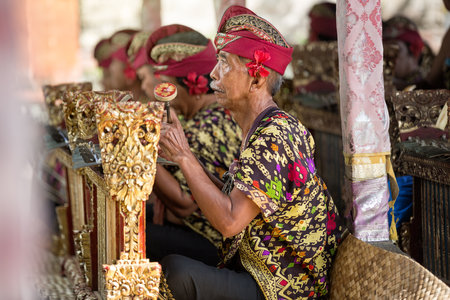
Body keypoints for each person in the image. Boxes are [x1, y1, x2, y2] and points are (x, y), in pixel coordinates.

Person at [158, 6, 345, 300]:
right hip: (259, 271)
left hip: (285, 288)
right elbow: (236, 198)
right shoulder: (262, 128)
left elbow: (230, 222)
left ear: (257, 80)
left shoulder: (276, 136)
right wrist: (180, 155)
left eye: (224, 64)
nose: (213, 74)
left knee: (175, 274)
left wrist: (184, 156)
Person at [143, 24, 242, 266]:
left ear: (193, 84)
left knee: (132, 234)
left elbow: (185, 203)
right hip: (208, 232)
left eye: (166, 87)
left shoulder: (206, 127)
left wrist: (138, 149)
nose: (160, 95)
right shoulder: (209, 116)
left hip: (215, 241)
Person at [383, 16, 426, 90]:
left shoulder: (428, 88)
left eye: (396, 51)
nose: (389, 58)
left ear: (414, 54)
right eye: (385, 53)